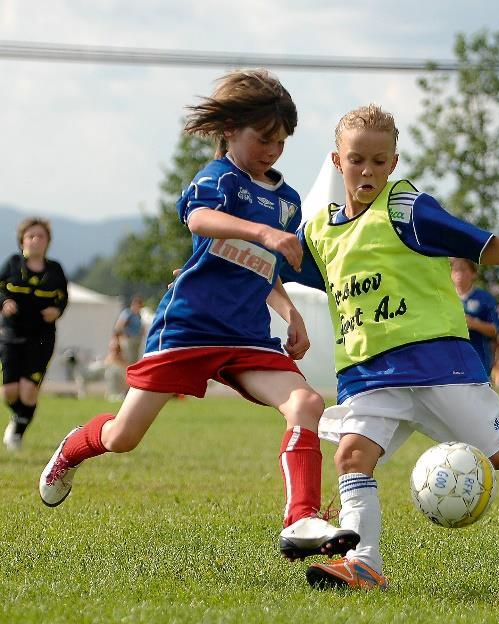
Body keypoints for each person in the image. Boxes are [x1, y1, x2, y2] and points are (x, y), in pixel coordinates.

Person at [39, 68, 358, 562]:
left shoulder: (288, 201)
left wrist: (290, 312)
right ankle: (72, 449)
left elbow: (264, 270)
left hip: (247, 336)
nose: (274, 149)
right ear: (230, 129)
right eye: (264, 138)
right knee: (123, 437)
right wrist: (264, 234)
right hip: (188, 328)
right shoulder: (218, 179)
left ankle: (300, 519)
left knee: (307, 404)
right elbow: (200, 220)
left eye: (282, 141)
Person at [283, 104, 499, 590]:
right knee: (352, 457)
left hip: (436, 365)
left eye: (380, 161)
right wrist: (224, 271)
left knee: (498, 452)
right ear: (336, 160)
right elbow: (278, 267)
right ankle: (364, 563)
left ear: (394, 163)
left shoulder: (408, 210)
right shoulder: (320, 230)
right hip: (366, 374)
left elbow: (481, 245)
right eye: (357, 159)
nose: (367, 170)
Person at [0, 217, 68, 450]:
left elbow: (63, 298)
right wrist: (4, 301)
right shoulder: (11, 264)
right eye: (31, 236)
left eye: (41, 236)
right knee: (9, 391)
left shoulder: (55, 270)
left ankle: (17, 432)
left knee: (29, 390)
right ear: (22, 241)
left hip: (41, 337)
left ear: (48, 241)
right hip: (11, 334)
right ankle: (19, 417)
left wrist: (57, 311)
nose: (36, 240)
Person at [450, 257, 499, 377]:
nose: (459, 274)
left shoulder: (484, 298)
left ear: (473, 274)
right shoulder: (446, 298)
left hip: (478, 358)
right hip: (451, 359)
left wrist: (474, 324)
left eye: (463, 269)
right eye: (455, 270)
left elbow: (495, 330)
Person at [113, 295, 144, 365]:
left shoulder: (138, 315)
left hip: (136, 340)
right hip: (128, 339)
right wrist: (117, 339)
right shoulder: (127, 313)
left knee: (134, 360)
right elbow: (119, 326)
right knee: (128, 360)